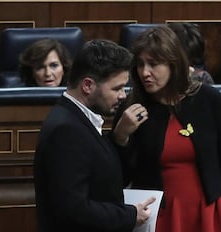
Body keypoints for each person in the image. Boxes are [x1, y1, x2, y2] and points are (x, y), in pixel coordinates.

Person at [112, 26, 221, 232]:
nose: (145, 72)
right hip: (160, 216)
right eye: (140, 64)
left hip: (209, 212)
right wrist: (121, 137)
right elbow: (119, 179)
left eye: (153, 64)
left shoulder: (208, 100)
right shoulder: (132, 109)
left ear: (174, 64)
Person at [34, 39, 156, 232]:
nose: (123, 95)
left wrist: (120, 138)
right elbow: (73, 209)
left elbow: (104, 182)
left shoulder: (80, 120)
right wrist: (130, 215)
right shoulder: (66, 130)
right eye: (116, 88)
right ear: (88, 85)